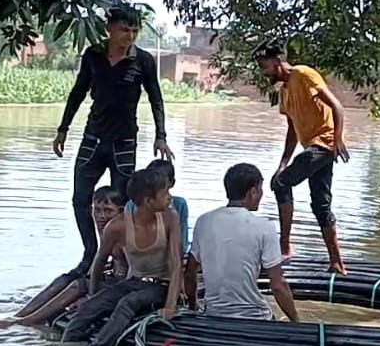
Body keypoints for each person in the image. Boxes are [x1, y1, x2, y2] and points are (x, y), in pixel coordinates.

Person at [54, 5, 175, 275]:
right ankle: (90, 254)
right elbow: (78, 92)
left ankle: (119, 258)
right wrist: (63, 129)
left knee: (123, 202)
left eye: (134, 31)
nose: (129, 36)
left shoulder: (142, 60)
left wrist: (161, 135)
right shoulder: (93, 55)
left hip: (124, 141)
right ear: (109, 29)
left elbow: (156, 97)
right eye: (124, 30)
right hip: (93, 137)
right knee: (80, 198)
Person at [61, 168, 182, 346]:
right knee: (89, 308)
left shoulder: (169, 218)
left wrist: (170, 306)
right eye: (165, 193)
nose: (170, 197)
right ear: (148, 201)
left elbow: (176, 264)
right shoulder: (118, 226)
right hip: (133, 282)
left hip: (160, 286)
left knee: (128, 303)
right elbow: (99, 262)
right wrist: (94, 294)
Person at [255, 41, 350, 274]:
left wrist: (337, 140)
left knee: (281, 184)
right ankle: (337, 262)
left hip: (324, 144)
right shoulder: (284, 92)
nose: (263, 72)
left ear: (277, 61)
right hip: (313, 147)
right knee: (320, 204)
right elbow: (292, 131)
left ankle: (285, 247)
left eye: (264, 66)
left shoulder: (303, 74)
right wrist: (283, 163)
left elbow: (337, 106)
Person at [0, 187, 129, 329]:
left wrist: (91, 298)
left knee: (78, 285)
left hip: (121, 286)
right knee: (65, 279)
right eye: (97, 210)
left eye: (108, 211)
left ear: (121, 211)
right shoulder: (106, 229)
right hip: (111, 280)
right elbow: (102, 260)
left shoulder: (122, 231)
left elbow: (131, 269)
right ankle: (19, 316)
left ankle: (26, 321)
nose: (101, 216)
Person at [183, 163, 300, 322]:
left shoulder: (204, 221)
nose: (261, 194)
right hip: (255, 317)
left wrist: (193, 305)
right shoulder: (265, 227)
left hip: (214, 315)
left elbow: (190, 273)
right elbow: (278, 285)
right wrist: (296, 321)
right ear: (253, 191)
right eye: (260, 189)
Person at [137, 159, 189, 255]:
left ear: (171, 183)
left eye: (162, 180)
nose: (156, 183)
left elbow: (182, 243)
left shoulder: (179, 205)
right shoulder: (134, 204)